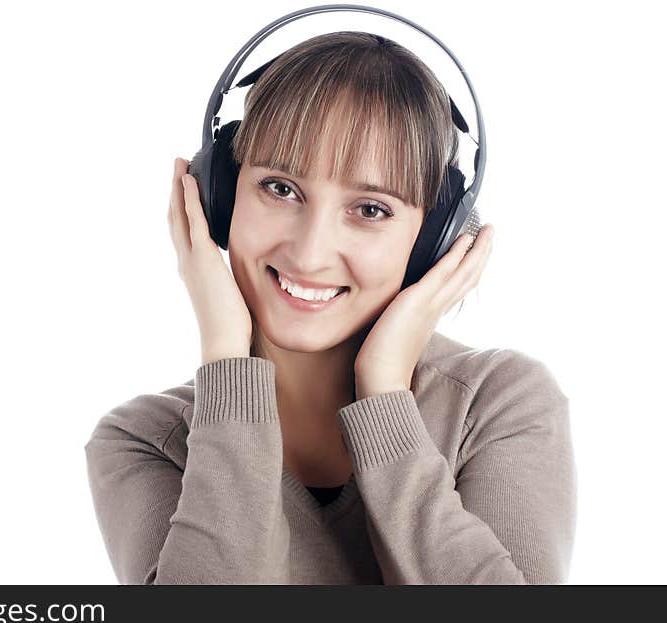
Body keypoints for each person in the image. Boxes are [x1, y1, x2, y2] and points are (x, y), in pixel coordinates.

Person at [84, 32, 577, 584]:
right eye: (280, 188)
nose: (310, 253)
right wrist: (225, 356)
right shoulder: (145, 440)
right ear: (216, 197)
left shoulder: (497, 403)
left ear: (433, 239)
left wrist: (386, 395)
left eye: (370, 208)